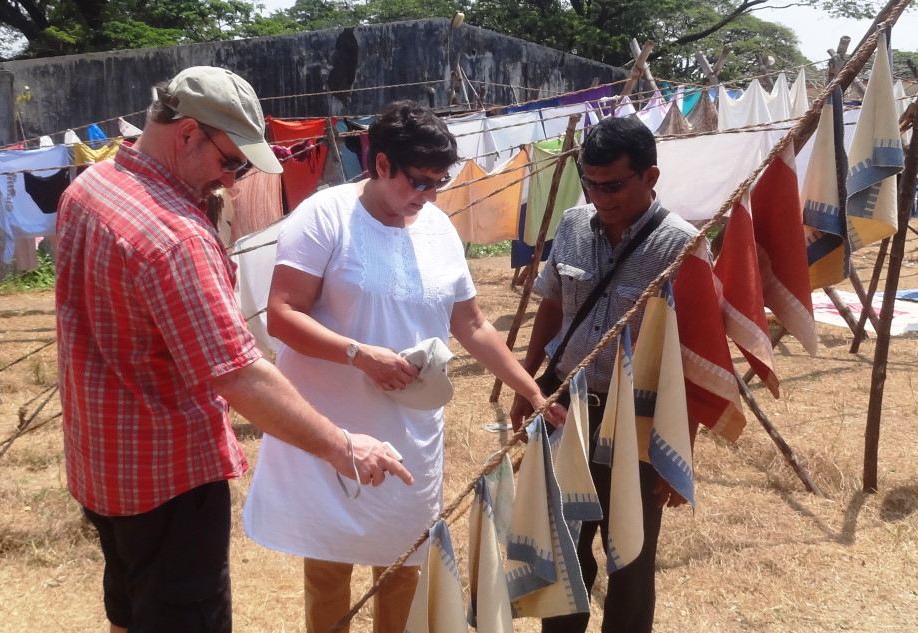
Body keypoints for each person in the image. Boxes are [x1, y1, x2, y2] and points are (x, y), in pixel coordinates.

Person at [54, 66, 411, 633]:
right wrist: (343, 445)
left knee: (129, 609)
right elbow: (238, 374)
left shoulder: (90, 188)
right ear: (188, 133)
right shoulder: (173, 236)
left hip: (103, 463)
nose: (233, 181)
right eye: (231, 162)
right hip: (168, 479)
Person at [241, 100, 566, 633]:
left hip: (412, 428)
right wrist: (359, 354)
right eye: (418, 181)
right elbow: (282, 315)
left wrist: (531, 390)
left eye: (438, 182)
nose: (428, 196)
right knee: (329, 569)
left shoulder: (437, 227)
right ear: (381, 164)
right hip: (334, 424)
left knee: (405, 564)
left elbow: (473, 325)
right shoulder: (324, 216)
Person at [509, 116, 696, 633]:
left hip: (636, 422)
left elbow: (693, 358)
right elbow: (552, 303)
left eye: (612, 185)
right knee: (563, 545)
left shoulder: (683, 246)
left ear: (650, 176)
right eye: (590, 183)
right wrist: (528, 383)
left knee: (630, 557)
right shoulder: (571, 225)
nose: (599, 196)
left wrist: (677, 451)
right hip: (564, 405)